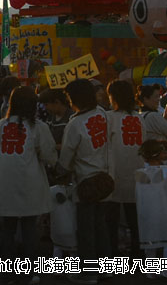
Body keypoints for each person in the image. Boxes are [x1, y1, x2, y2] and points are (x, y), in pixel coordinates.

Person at [0, 86, 55, 285]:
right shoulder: (38, 127)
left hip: (5, 181)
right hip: (30, 181)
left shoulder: (2, 125)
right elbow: (49, 156)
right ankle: (28, 273)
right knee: (30, 227)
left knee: (8, 228)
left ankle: (6, 273)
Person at [58, 79, 110, 285]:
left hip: (86, 181)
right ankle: (106, 269)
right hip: (104, 178)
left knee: (86, 229)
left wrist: (60, 171)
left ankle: (88, 273)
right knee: (101, 226)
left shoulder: (75, 123)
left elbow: (66, 158)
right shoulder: (102, 114)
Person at [104, 79, 143, 256]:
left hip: (114, 174)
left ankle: (111, 254)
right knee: (135, 218)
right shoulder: (139, 118)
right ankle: (138, 253)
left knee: (111, 220)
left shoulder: (109, 117)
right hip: (136, 172)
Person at [135, 140, 167, 282]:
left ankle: (151, 270)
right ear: (159, 154)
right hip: (164, 210)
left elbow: (138, 195)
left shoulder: (139, 173)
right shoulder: (165, 171)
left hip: (146, 212)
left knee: (150, 239)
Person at [137, 84, 167, 165]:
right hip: (162, 162)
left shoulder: (140, 115)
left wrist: (165, 118)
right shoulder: (153, 116)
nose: (158, 100)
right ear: (146, 99)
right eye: (155, 97)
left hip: (151, 160)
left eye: (159, 96)